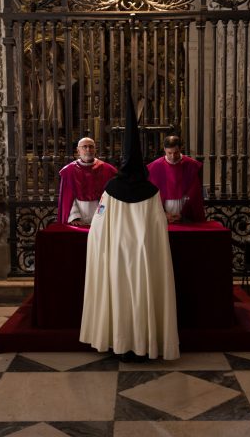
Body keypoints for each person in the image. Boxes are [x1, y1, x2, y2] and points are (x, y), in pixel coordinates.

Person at [80, 82, 180, 361]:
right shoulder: (152, 192)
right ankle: (145, 344)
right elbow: (160, 229)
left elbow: (97, 230)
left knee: (118, 298)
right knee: (144, 296)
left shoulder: (111, 191)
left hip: (117, 257)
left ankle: (119, 343)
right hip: (145, 258)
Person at [57, 137, 117, 225]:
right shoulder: (69, 171)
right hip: (78, 218)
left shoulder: (107, 170)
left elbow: (110, 197)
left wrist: (101, 216)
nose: (88, 149)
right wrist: (75, 217)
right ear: (78, 150)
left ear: (95, 149)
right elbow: (68, 198)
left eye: (91, 147)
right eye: (84, 147)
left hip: (102, 217)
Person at [147, 135, 205, 223]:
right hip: (162, 216)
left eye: (176, 152)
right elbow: (151, 195)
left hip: (186, 215)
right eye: (169, 153)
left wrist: (184, 215)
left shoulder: (191, 165)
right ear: (164, 149)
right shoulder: (155, 167)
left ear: (180, 149)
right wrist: (163, 214)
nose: (173, 156)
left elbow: (195, 194)